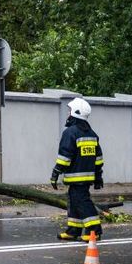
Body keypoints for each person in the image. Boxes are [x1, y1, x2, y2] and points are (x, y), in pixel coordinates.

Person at [50, 96, 104, 240]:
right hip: (88, 177)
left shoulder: (70, 133)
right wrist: (98, 177)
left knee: (82, 201)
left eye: (70, 111)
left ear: (75, 113)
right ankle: (73, 230)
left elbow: (64, 157)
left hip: (75, 176)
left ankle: (94, 231)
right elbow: (98, 159)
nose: (68, 114)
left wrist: (55, 173)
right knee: (74, 202)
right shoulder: (92, 134)